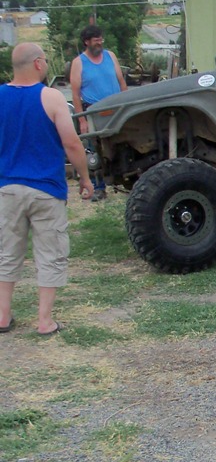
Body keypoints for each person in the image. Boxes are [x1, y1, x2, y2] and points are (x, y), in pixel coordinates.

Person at [0, 43, 94, 335]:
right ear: (39, 64)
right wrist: (84, 178)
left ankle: (2, 317)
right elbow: (71, 142)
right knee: (50, 254)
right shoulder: (51, 97)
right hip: (46, 189)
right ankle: (45, 321)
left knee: (6, 253)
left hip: (7, 188)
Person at [70, 25, 128, 201]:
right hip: (93, 111)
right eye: (96, 41)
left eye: (101, 40)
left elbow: (121, 82)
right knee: (94, 151)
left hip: (116, 109)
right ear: (87, 42)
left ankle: (125, 180)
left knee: (121, 145)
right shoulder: (78, 63)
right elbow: (75, 94)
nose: (99, 43)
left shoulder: (110, 56)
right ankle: (99, 188)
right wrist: (82, 120)